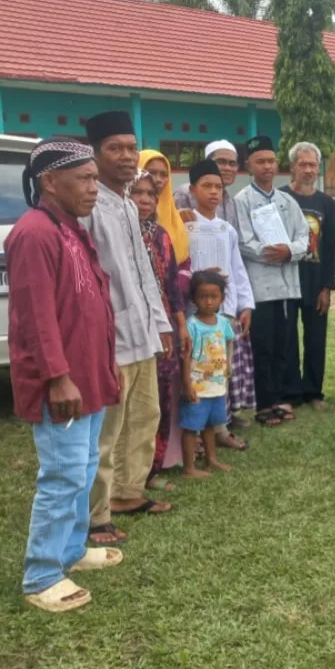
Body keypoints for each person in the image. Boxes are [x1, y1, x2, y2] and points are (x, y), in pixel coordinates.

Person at [8, 137, 123, 612]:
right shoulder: (34, 232)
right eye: (85, 178)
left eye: (96, 178)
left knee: (85, 468)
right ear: (50, 182)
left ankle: (72, 551)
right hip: (62, 383)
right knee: (63, 475)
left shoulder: (72, 228)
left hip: (87, 375)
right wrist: (58, 377)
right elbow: (36, 316)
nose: (95, 187)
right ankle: (41, 575)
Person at [82, 111, 174, 545]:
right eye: (114, 148)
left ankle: (127, 493)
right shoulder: (89, 205)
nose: (126, 156)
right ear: (96, 154)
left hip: (142, 332)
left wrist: (161, 324)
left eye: (131, 148)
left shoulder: (123, 201)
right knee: (108, 430)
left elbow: (142, 271)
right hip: (112, 337)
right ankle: (97, 514)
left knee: (145, 414)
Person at [176, 141, 253, 434]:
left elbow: (238, 270)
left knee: (219, 369)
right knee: (194, 369)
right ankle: (192, 433)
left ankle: (219, 429)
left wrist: (244, 305)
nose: (213, 193)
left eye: (218, 187)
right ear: (193, 190)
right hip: (194, 313)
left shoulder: (227, 229)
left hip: (223, 313)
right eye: (206, 186)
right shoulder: (184, 225)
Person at [234, 135, 310, 427]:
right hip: (260, 288)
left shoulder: (287, 201)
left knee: (285, 344)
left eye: (270, 161)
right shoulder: (243, 201)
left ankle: (282, 397)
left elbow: (304, 237)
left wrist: (289, 250)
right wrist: (271, 254)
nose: (267, 166)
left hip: (288, 286)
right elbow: (244, 242)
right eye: (260, 161)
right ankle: (264, 403)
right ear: (249, 165)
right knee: (262, 346)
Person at [128, 170, 188, 491]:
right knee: (132, 403)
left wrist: (180, 325)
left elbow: (173, 286)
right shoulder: (119, 233)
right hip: (131, 328)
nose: (145, 199)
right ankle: (130, 476)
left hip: (163, 328)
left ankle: (151, 469)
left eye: (151, 193)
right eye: (137, 192)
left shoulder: (162, 235)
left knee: (160, 400)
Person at [280, 141, 335, 412]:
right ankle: (291, 392)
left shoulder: (326, 203)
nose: (307, 170)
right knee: (287, 338)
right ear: (292, 167)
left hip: (316, 283)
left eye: (312, 165)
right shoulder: (280, 198)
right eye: (302, 164)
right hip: (287, 281)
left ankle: (314, 391)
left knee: (316, 339)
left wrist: (327, 286)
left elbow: (329, 247)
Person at [180, 270, 235, 478]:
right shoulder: (191, 325)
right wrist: (186, 383)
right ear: (194, 298)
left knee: (211, 425)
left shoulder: (223, 322)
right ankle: (189, 467)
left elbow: (229, 341)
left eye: (214, 296)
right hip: (197, 386)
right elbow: (185, 356)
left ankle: (211, 459)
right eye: (203, 297)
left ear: (222, 298)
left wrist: (228, 366)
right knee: (191, 427)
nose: (209, 302)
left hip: (217, 385)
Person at [138, 149, 190, 264]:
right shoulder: (128, 213)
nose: (158, 180)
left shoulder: (175, 217)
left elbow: (184, 260)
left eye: (164, 175)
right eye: (151, 172)